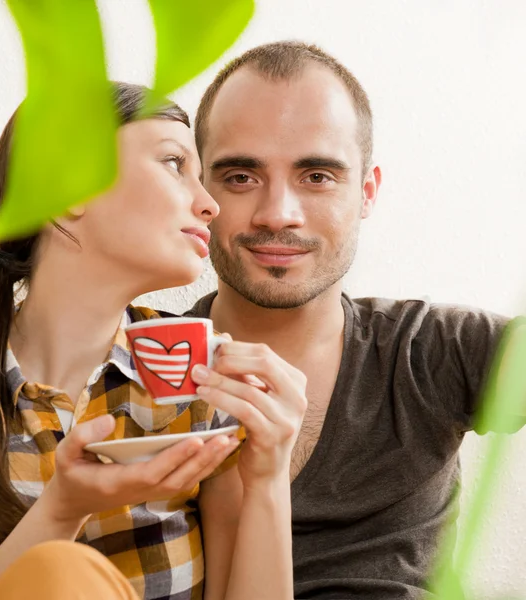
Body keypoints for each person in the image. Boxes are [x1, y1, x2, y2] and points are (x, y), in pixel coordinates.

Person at [185, 41, 525, 598]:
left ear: (365, 193)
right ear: (201, 193)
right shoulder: (140, 365)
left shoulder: (434, 349)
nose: (277, 214)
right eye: (241, 177)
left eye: (316, 176)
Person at [0, 81, 307, 600]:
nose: (210, 203)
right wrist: (63, 508)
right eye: (174, 163)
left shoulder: (199, 379)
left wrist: (269, 477)